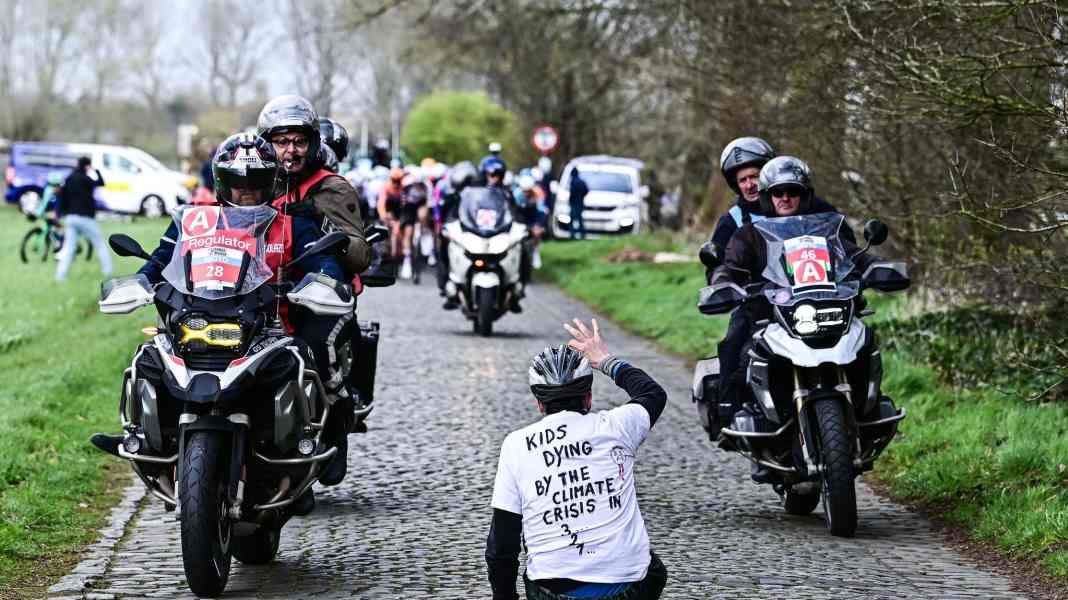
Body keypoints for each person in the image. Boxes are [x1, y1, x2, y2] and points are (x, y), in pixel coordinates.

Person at [91, 133, 344, 513]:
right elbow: (160, 259)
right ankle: (144, 438)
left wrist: (323, 280)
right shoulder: (194, 220)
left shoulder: (293, 224)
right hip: (197, 321)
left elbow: (322, 261)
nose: (246, 190)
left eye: (255, 181)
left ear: (272, 181)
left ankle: (302, 446)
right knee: (148, 358)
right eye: (237, 181)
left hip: (269, 328)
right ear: (222, 181)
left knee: (302, 361)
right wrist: (141, 281)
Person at [710, 156, 870, 480]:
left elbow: (854, 256)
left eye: (792, 191)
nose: (785, 198)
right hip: (773, 316)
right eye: (778, 192)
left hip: (825, 311)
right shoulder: (749, 234)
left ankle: (866, 411)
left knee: (866, 340)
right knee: (741, 351)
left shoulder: (827, 227)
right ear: (767, 196)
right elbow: (731, 266)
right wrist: (723, 283)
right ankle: (741, 418)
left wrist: (878, 267)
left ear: (804, 194)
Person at [486, 319, 668, 600]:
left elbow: (501, 545)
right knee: (654, 570)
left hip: (552, 591)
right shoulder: (617, 426)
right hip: (629, 587)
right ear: (588, 398)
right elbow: (652, 393)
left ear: (539, 404)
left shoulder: (515, 445)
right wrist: (605, 360)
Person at [258, 95, 374, 485]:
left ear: (312, 144)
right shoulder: (257, 181)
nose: (290, 151)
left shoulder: (331, 188)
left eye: (299, 142)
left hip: (319, 293)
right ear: (267, 143)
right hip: (260, 291)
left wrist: (327, 229)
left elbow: (360, 254)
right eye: (281, 141)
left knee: (315, 347)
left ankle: (336, 421)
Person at [55, 156, 112, 282]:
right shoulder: (86, 179)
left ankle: (60, 276)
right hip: (86, 218)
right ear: (87, 166)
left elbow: (61, 197)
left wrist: (59, 214)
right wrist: (96, 171)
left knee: (69, 248)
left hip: (70, 218)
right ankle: (108, 273)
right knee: (100, 244)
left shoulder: (69, 178)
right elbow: (101, 183)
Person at [438, 162, 478, 307]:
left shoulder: (481, 196)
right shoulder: (451, 196)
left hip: (477, 233)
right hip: (459, 233)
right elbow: (444, 216)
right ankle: (448, 284)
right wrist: (447, 229)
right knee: (444, 248)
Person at [568, 169, 589, 240]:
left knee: (572, 219)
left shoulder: (573, 182)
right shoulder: (581, 182)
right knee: (580, 219)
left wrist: (571, 199)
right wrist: (581, 196)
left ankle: (572, 234)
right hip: (580, 202)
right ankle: (582, 234)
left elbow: (572, 192)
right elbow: (586, 191)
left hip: (574, 203)